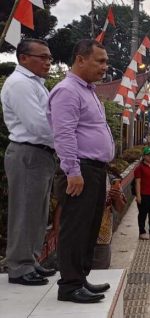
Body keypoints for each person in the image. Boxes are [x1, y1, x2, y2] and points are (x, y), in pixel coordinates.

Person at [48, 39, 114, 303]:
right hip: (80, 171)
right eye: (100, 61)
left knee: (89, 227)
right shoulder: (67, 91)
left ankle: (81, 277)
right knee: (75, 227)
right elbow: (63, 134)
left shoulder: (88, 90)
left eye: (106, 62)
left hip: (95, 170)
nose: (105, 67)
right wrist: (72, 171)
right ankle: (69, 285)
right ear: (80, 59)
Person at [2, 38, 58, 286]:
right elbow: (38, 125)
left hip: (40, 154)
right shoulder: (20, 84)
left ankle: (31, 260)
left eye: (49, 58)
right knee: (25, 210)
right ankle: (18, 266)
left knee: (37, 212)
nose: (48, 62)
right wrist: (66, 142)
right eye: (42, 57)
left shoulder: (36, 84)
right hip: (28, 152)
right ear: (24, 58)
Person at [93, 176, 127, 269]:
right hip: (79, 240)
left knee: (99, 275)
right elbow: (62, 204)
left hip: (102, 239)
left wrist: (116, 198)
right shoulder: (76, 174)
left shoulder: (111, 178)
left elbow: (120, 208)